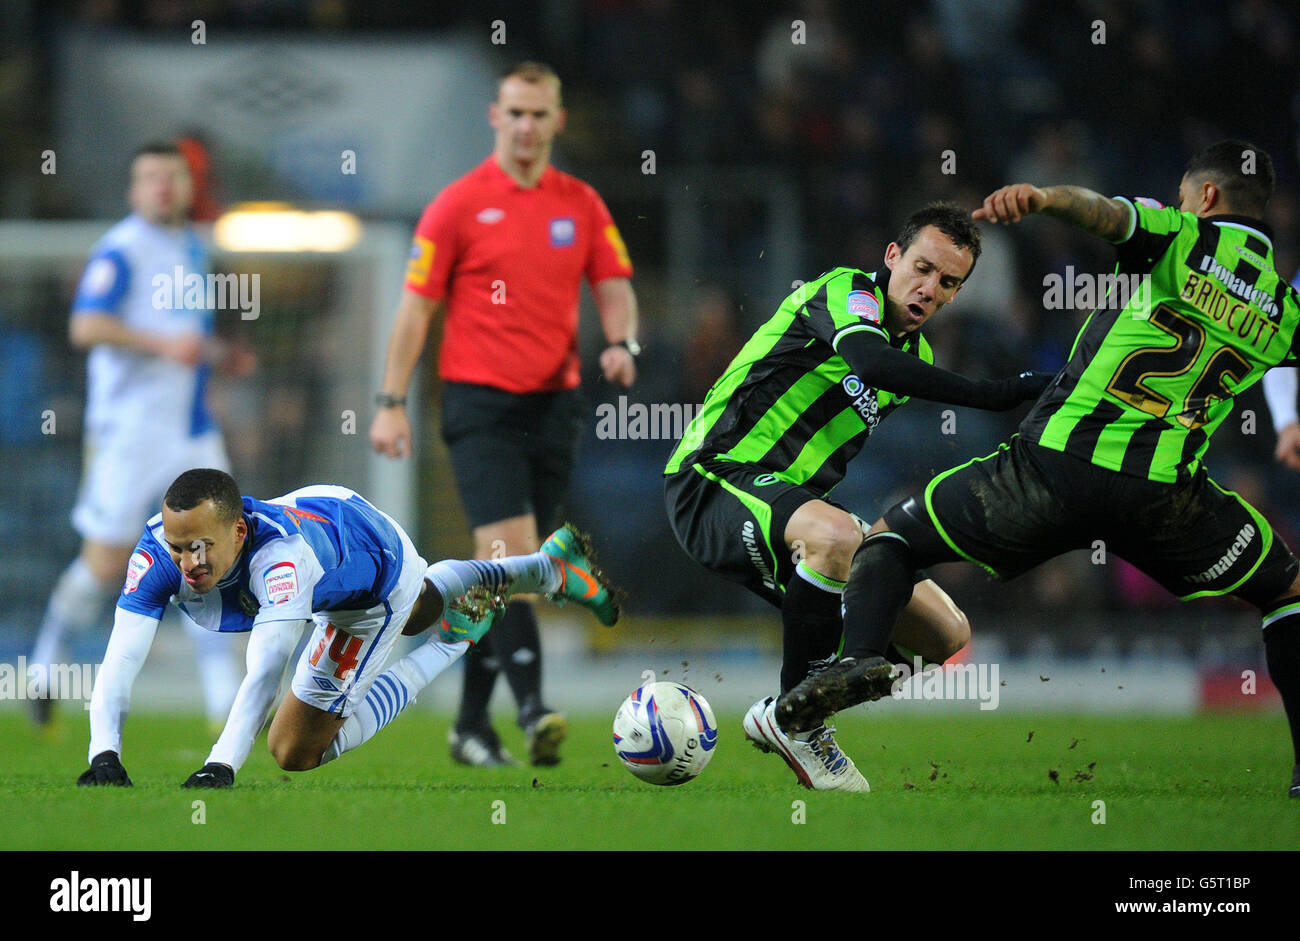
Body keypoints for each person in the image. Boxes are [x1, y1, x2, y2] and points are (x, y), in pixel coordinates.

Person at [778, 141, 1300, 800]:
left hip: (1050, 467)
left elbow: (1109, 215)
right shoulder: (1283, 311)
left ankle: (858, 660)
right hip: (1162, 496)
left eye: (1183, 194)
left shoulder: (1185, 236)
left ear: (1209, 198)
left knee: (890, 540)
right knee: (1287, 586)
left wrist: (1047, 198)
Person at [663, 202, 1051, 791]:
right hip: (713, 479)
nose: (929, 289)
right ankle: (802, 724)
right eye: (921, 268)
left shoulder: (917, 360)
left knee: (943, 634)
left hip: (789, 509)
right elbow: (870, 361)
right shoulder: (845, 292)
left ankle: (786, 714)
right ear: (892, 257)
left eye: (948, 283)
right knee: (838, 534)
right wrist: (997, 394)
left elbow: (892, 372)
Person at [369, 61, 639, 768]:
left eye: (538, 114)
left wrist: (621, 341)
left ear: (558, 121)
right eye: (514, 113)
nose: (525, 126)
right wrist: (391, 402)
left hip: (556, 405)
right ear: (495, 116)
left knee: (510, 571)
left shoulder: (580, 204)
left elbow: (613, 282)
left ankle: (468, 727)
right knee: (509, 552)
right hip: (478, 403)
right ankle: (533, 709)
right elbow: (415, 309)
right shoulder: (457, 205)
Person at [76, 468, 619, 787]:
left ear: (239, 532)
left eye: (201, 547)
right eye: (178, 546)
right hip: (329, 515)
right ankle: (547, 568)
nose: (188, 561)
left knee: (293, 751)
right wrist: (104, 754)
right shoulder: (158, 552)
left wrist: (220, 766)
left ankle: (459, 638)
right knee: (425, 604)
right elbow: (121, 655)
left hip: (369, 575)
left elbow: (265, 670)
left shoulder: (281, 561)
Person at [28, 142, 251, 729]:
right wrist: (161, 346)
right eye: (149, 177)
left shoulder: (193, 247)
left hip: (192, 433)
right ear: (133, 190)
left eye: (170, 176)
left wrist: (219, 357)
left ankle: (221, 703)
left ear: (186, 186)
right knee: (103, 562)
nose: (160, 186)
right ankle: (46, 667)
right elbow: (85, 325)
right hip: (129, 435)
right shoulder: (120, 250)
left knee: (214, 555)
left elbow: (189, 339)